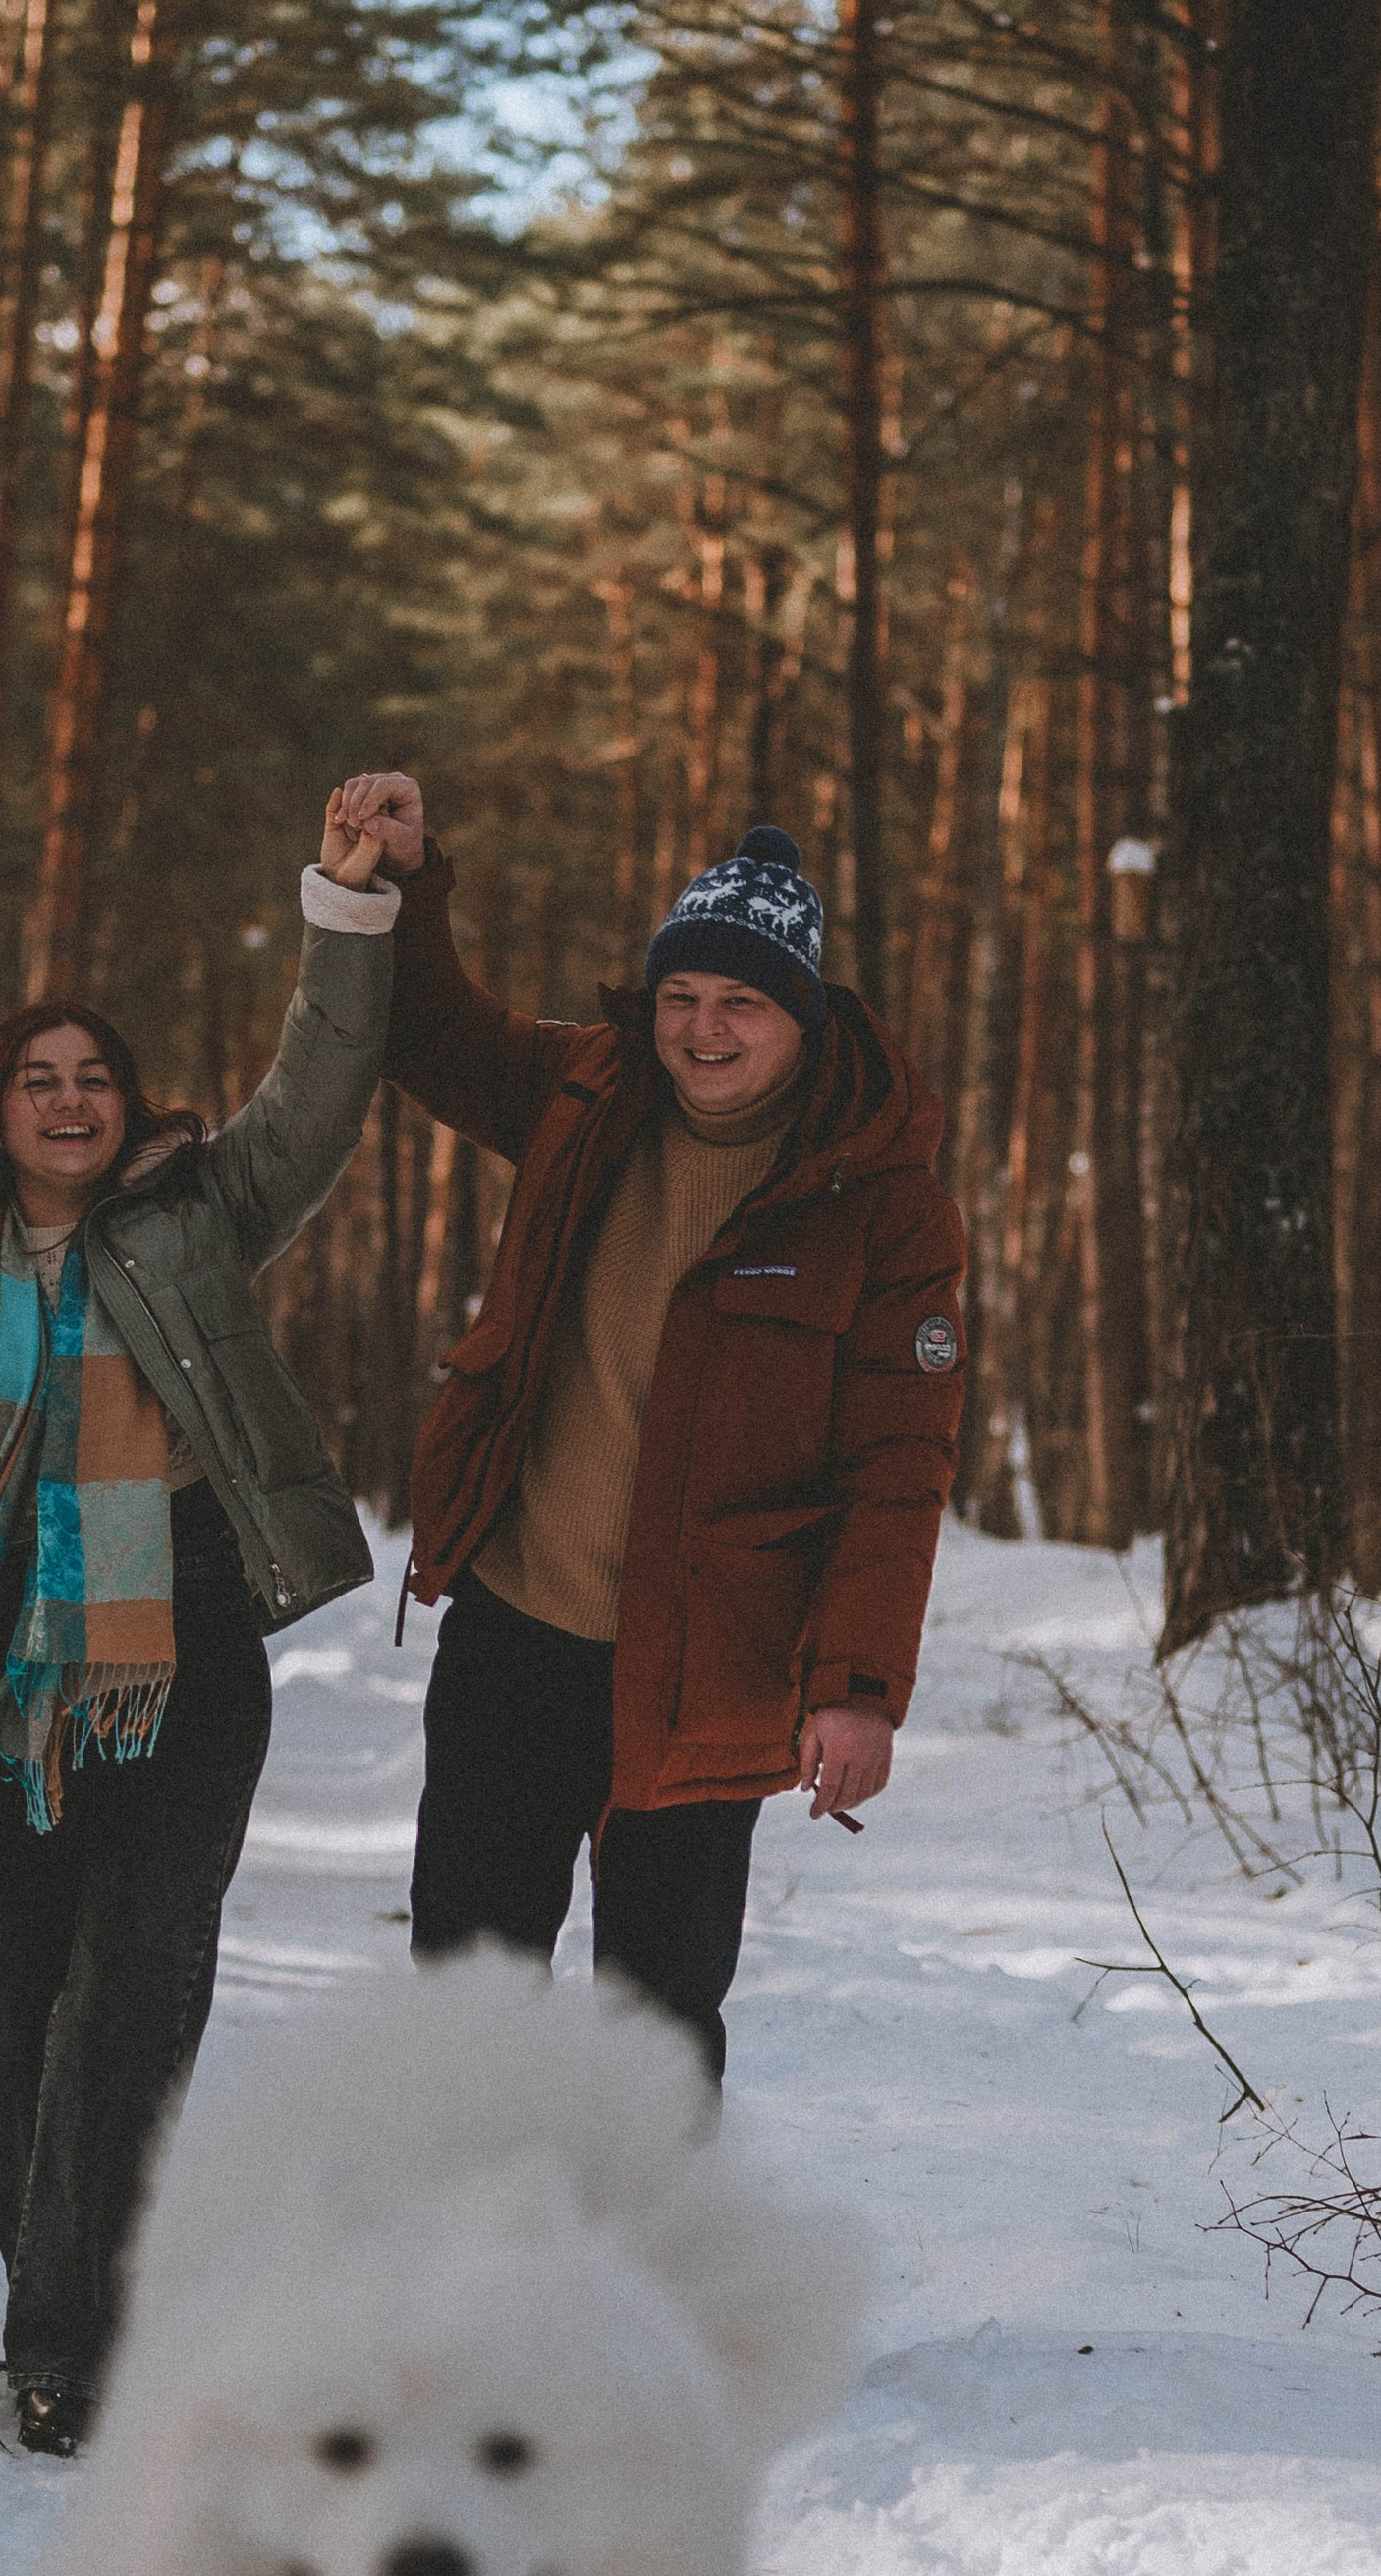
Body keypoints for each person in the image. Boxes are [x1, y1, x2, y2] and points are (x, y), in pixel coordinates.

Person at [0, 795, 400, 2453]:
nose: (69, 1101)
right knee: (25, 1994)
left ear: (128, 1108)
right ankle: (75, 2314)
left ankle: (63, 2353)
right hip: (1, 1662)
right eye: (38, 1078)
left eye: (94, 1077)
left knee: (136, 1986)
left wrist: (343, 897)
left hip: (181, 1632)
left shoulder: (197, 1215)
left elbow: (318, 1097)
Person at [334, 774, 967, 2080]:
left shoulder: (880, 1206)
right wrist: (403, 879)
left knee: (656, 2030)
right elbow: (433, 1031)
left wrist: (856, 1692)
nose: (702, 1031)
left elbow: (898, 1475)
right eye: (680, 997)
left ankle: (635, 2281)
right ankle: (455, 2276)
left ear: (801, 1013)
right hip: (517, 1627)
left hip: (710, 1666)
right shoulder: (589, 1092)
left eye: (739, 1002)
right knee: (465, 1991)